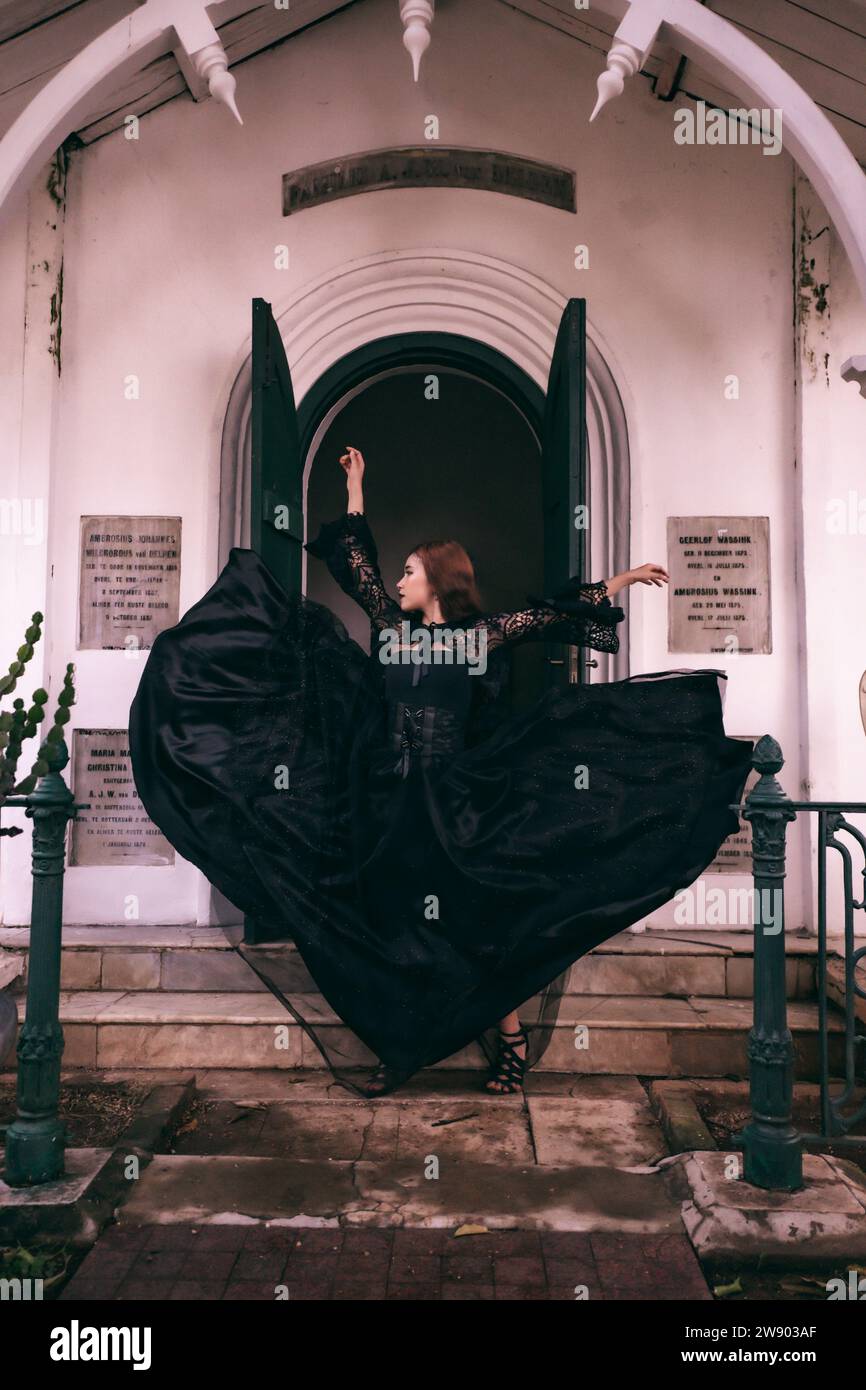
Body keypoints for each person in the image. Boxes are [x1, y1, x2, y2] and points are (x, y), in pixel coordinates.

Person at [128, 446, 754, 1100]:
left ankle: (510, 1042)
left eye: (410, 571)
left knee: (472, 920)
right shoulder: (390, 629)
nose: (398, 581)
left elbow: (552, 617)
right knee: (384, 922)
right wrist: (356, 488)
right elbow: (356, 566)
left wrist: (619, 583)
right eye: (399, 572)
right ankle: (396, 1042)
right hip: (381, 801)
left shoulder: (476, 638)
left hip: (454, 803)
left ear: (436, 580)